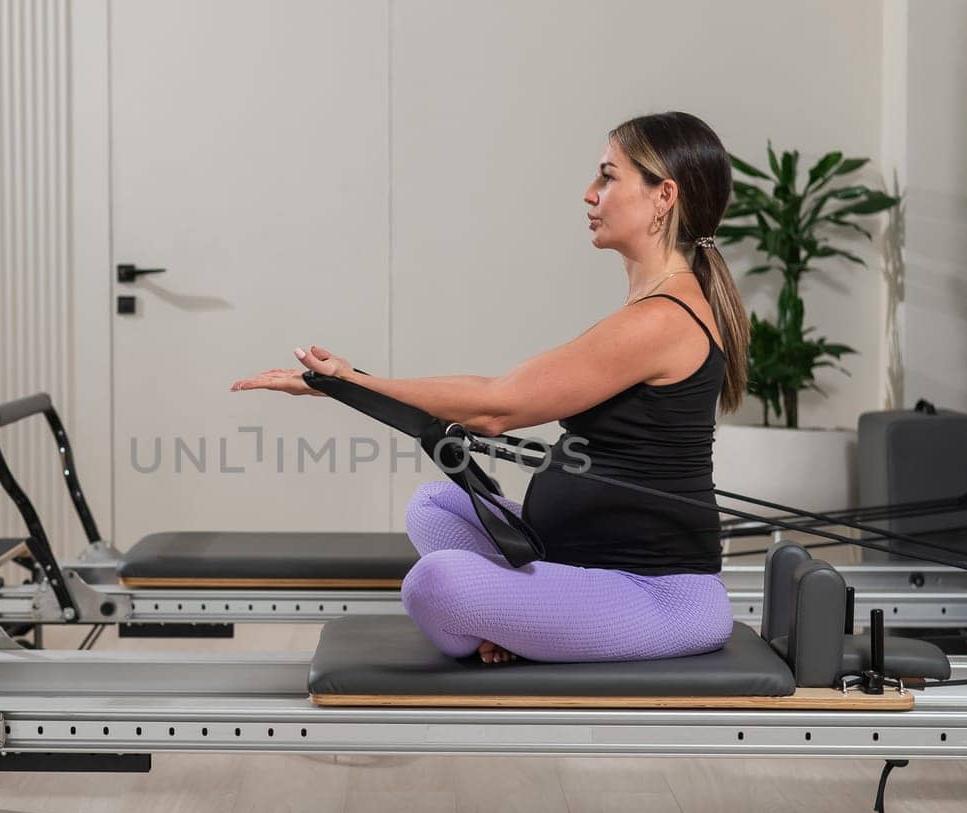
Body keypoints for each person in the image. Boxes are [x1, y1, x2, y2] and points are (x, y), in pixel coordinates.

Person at [231, 111, 748, 665]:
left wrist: (350, 384)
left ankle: (511, 625)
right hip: (578, 562)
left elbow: (497, 404)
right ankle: (522, 620)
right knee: (433, 505)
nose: (589, 194)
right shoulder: (656, 308)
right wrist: (349, 384)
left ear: (662, 196)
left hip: (655, 594)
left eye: (608, 176)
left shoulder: (661, 321)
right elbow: (495, 393)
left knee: (437, 583)